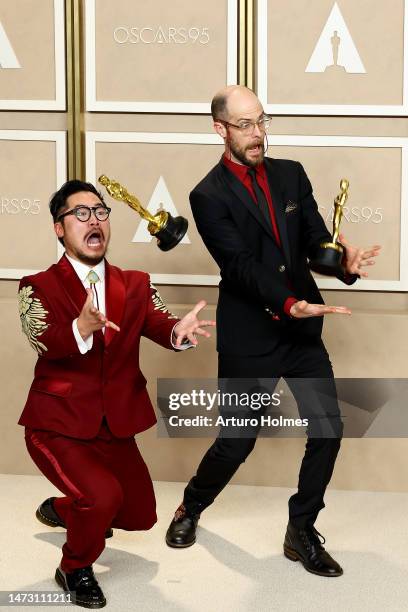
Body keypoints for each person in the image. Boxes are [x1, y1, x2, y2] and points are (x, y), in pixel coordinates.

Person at [165, 85, 381, 577]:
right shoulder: (207, 195)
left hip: (302, 334)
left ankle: (301, 528)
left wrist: (341, 264)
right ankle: (191, 507)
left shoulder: (291, 174)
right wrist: (288, 302)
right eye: (245, 125)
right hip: (251, 337)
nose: (257, 133)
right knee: (236, 442)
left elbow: (313, 244)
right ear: (220, 129)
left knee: (328, 429)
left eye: (262, 121)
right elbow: (239, 265)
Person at [18, 179, 215, 608]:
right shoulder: (36, 285)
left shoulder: (136, 283)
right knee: (102, 497)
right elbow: (43, 338)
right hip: (57, 427)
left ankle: (64, 506)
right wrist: (79, 328)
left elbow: (162, 324)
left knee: (140, 515)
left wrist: (178, 333)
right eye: (81, 213)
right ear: (59, 228)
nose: (95, 221)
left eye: (101, 212)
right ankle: (73, 568)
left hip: (115, 427)